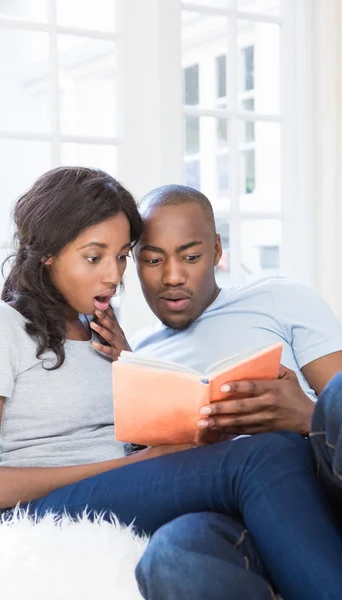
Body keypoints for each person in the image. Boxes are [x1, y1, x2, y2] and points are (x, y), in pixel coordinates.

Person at [0, 169, 342, 600]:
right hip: (39, 508)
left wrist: (142, 377)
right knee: (263, 455)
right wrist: (135, 465)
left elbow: (129, 438)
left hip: (121, 491)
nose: (113, 276)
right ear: (48, 253)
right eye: (94, 256)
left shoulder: (103, 334)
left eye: (120, 257)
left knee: (265, 459)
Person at [123, 184, 342, 599]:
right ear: (135, 262)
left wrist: (302, 415)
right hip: (229, 515)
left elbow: (337, 406)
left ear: (218, 251)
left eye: (190, 257)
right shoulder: (140, 353)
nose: (172, 276)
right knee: (171, 553)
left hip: (321, 481)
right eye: (153, 260)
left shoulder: (279, 298)